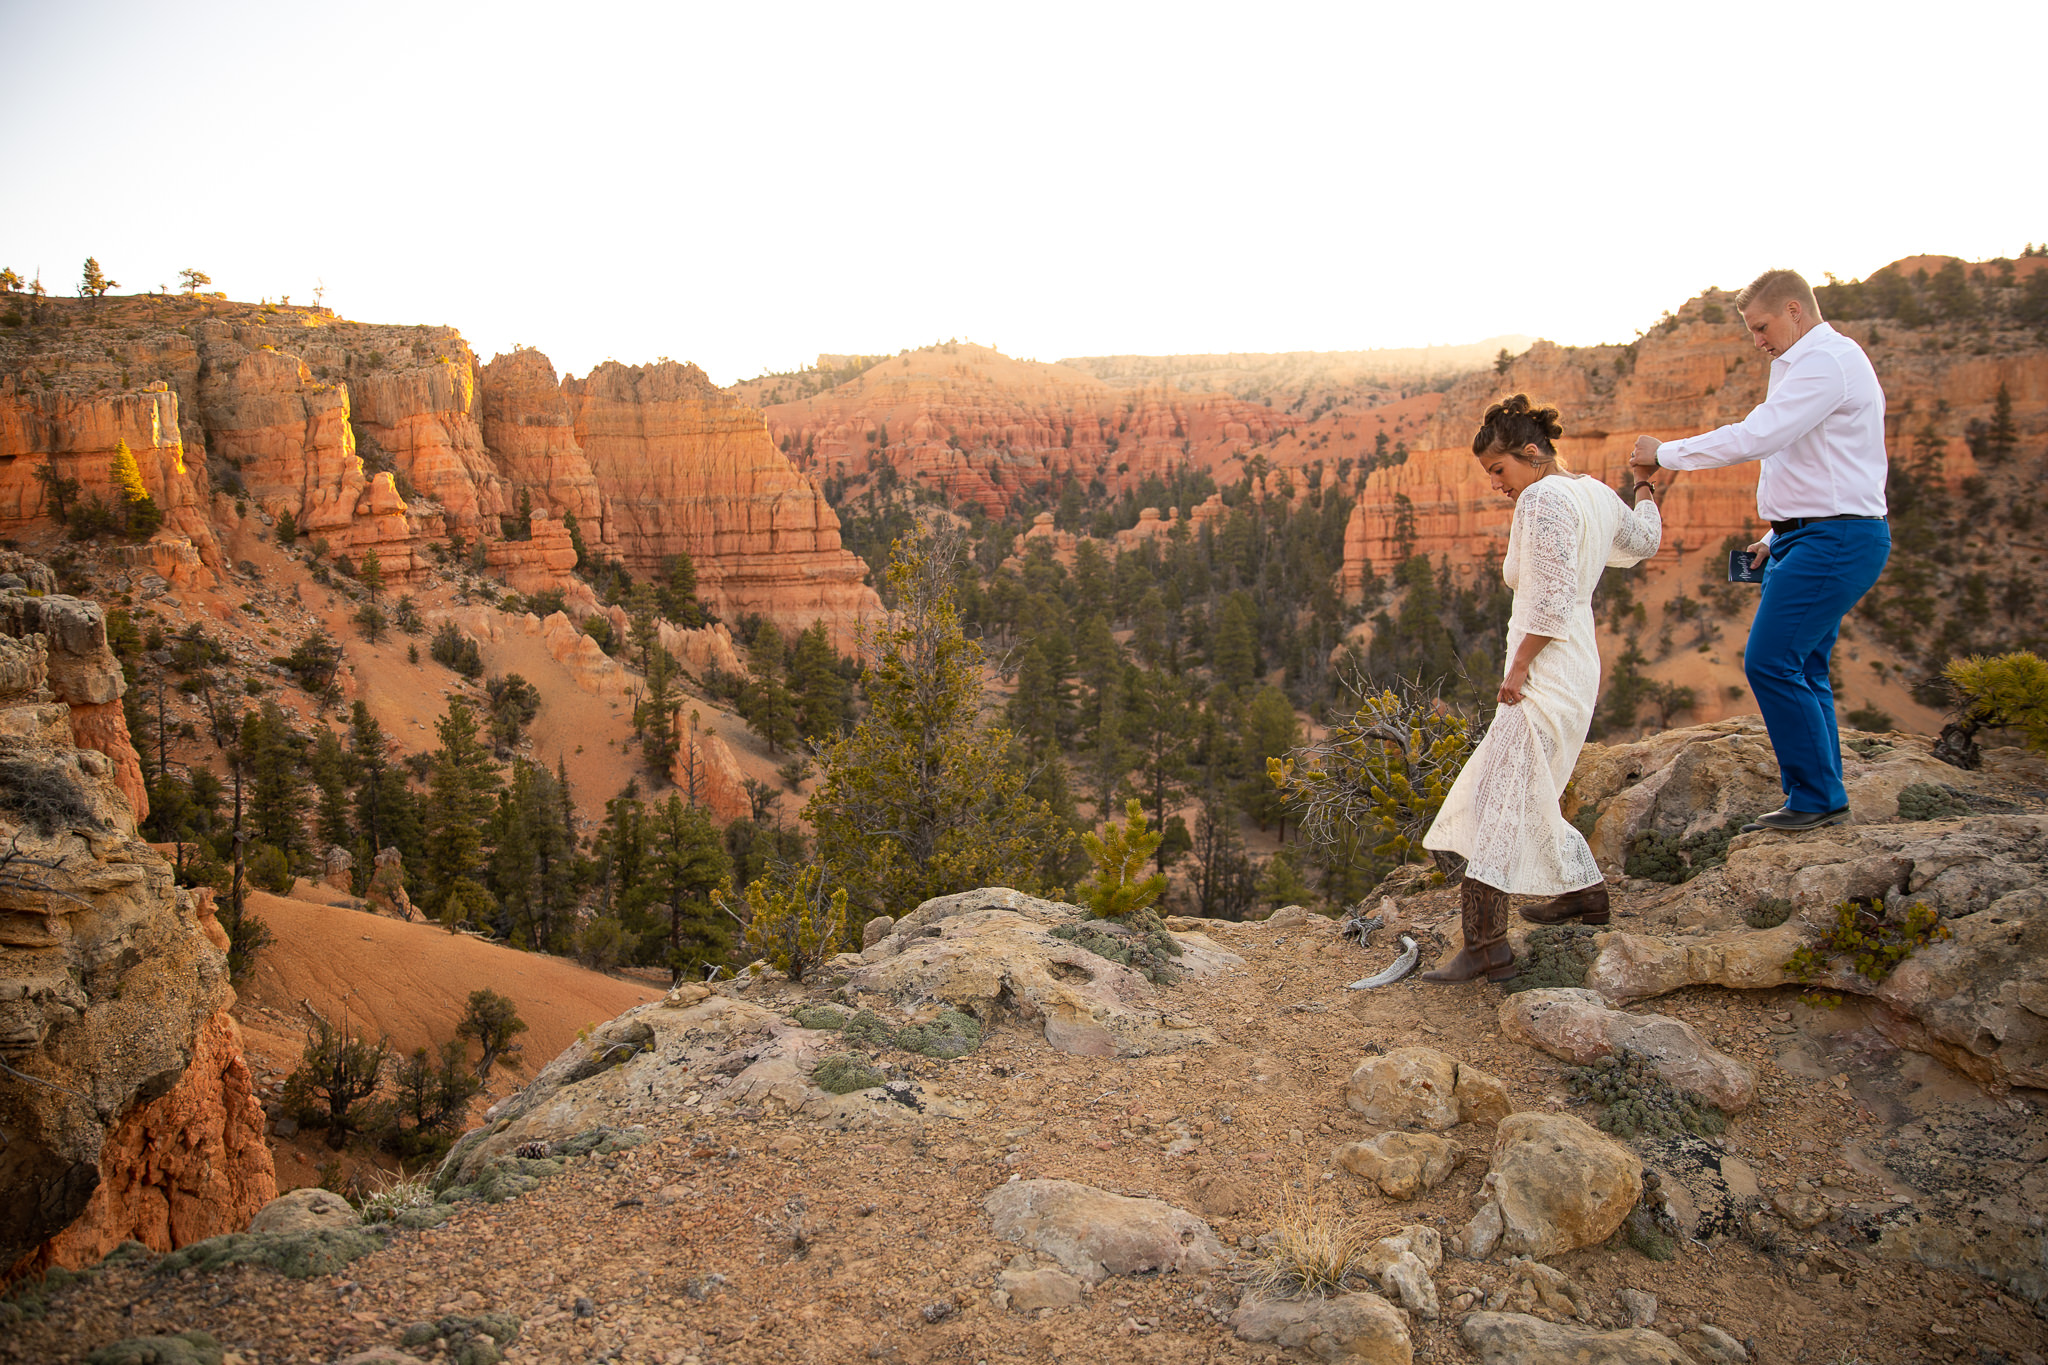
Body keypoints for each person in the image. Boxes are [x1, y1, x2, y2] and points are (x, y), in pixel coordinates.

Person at [1630, 268, 1889, 834]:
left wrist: (1663, 452)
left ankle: (1816, 797)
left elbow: (1758, 436)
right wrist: (1775, 536)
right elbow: (1807, 462)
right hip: (1808, 535)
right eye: (1752, 330)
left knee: (1770, 661)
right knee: (1804, 664)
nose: (1758, 340)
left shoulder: (1827, 362)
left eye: (1762, 326)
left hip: (1836, 538)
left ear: (1795, 310)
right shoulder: (1797, 365)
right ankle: (1821, 793)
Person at [1420, 395, 1663, 983]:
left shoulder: (1542, 498)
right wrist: (1646, 487)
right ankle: (1584, 895)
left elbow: (1549, 601)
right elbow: (1643, 544)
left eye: (1499, 470)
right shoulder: (1595, 493)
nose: (1498, 485)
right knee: (1524, 790)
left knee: (1497, 797)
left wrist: (1519, 668)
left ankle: (1486, 947)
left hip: (1547, 668)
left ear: (1531, 453)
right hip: (1577, 660)